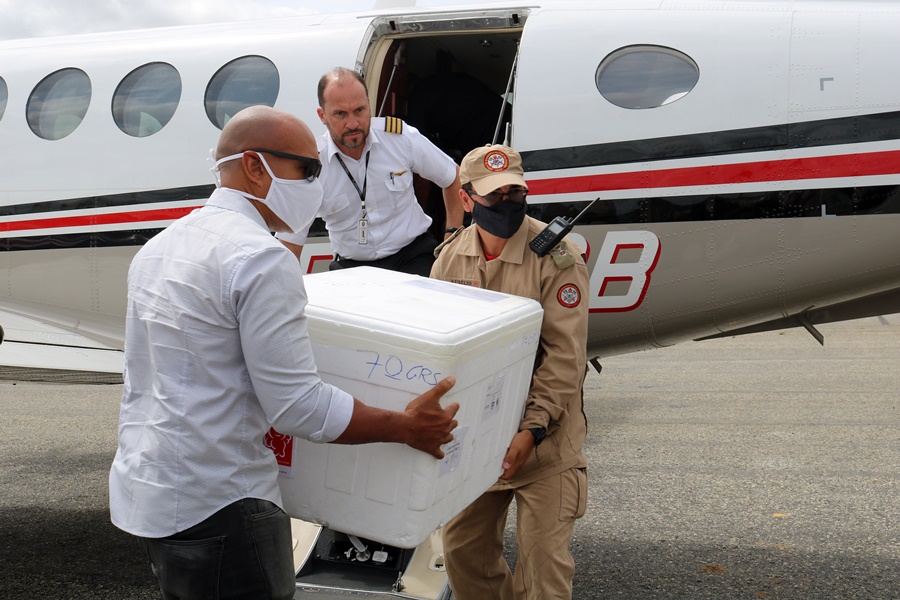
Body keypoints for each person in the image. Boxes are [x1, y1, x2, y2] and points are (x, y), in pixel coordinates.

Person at [109, 106, 460, 600]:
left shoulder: (160, 247)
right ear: (255, 166)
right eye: (308, 169)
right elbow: (298, 406)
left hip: (151, 491)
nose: (318, 182)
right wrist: (405, 427)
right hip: (222, 501)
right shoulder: (259, 258)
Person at [430, 144, 589, 600]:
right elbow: (446, 349)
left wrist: (531, 430)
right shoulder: (450, 259)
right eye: (494, 196)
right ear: (466, 200)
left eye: (515, 193)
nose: (508, 205)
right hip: (479, 440)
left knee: (544, 573)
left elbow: (565, 358)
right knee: (463, 556)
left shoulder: (558, 258)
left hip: (545, 443)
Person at [278, 67, 463, 277]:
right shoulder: (312, 165)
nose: (353, 123)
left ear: (369, 106)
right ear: (322, 116)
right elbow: (290, 242)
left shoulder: (400, 138)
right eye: (340, 114)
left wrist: (451, 241)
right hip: (353, 268)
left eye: (359, 110)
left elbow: (453, 176)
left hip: (412, 256)